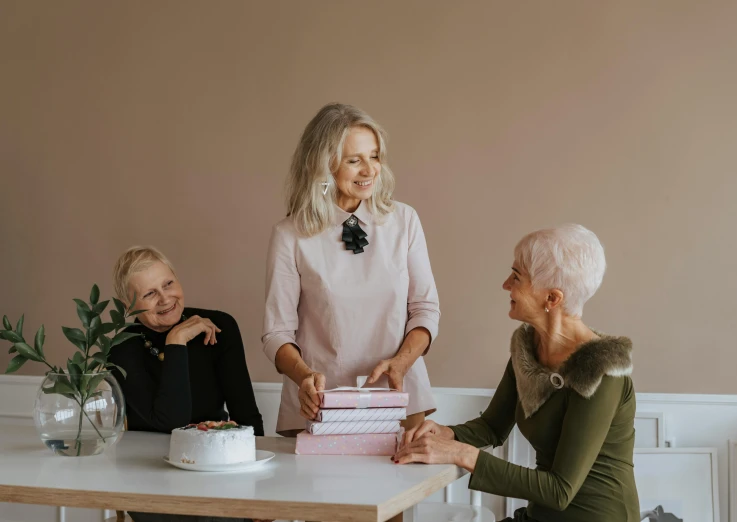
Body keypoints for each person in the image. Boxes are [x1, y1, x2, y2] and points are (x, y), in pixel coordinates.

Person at [394, 224, 641, 522]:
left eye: (516, 277)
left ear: (552, 299)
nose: (505, 285)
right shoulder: (528, 349)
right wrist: (448, 433)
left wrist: (462, 453)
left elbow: (560, 490)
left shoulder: (601, 371)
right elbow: (492, 427)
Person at [262, 103, 440, 435]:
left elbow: (425, 309)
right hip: (319, 406)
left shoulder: (404, 221)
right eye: (354, 160)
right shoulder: (289, 235)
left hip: (397, 400)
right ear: (323, 165)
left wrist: (400, 364)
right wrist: (305, 378)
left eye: (374, 156)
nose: (369, 170)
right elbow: (277, 333)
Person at [109, 246, 264, 436]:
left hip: (212, 453)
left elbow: (247, 417)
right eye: (150, 294)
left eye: (168, 284)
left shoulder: (220, 326)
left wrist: (255, 458)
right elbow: (170, 423)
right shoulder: (121, 349)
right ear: (129, 307)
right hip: (146, 459)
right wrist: (176, 341)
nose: (165, 298)